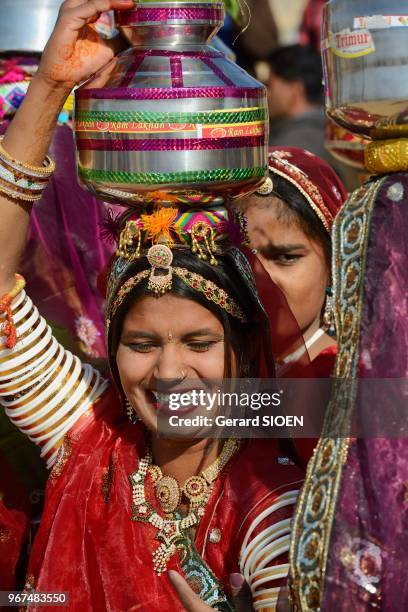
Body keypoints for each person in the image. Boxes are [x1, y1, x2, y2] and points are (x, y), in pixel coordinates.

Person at [0, 1, 304, 610]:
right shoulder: (86, 428)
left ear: (244, 349)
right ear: (111, 350)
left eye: (199, 344)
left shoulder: (271, 498)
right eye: (141, 345)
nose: (168, 374)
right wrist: (52, 87)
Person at [245, 147, 347, 373]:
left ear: (333, 265)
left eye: (286, 257)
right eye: (243, 257)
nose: (263, 279)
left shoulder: (349, 380)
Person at [266, 45, 332, 165]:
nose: (266, 94)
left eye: (269, 85)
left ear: (295, 89)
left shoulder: (294, 145)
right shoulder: (327, 133)